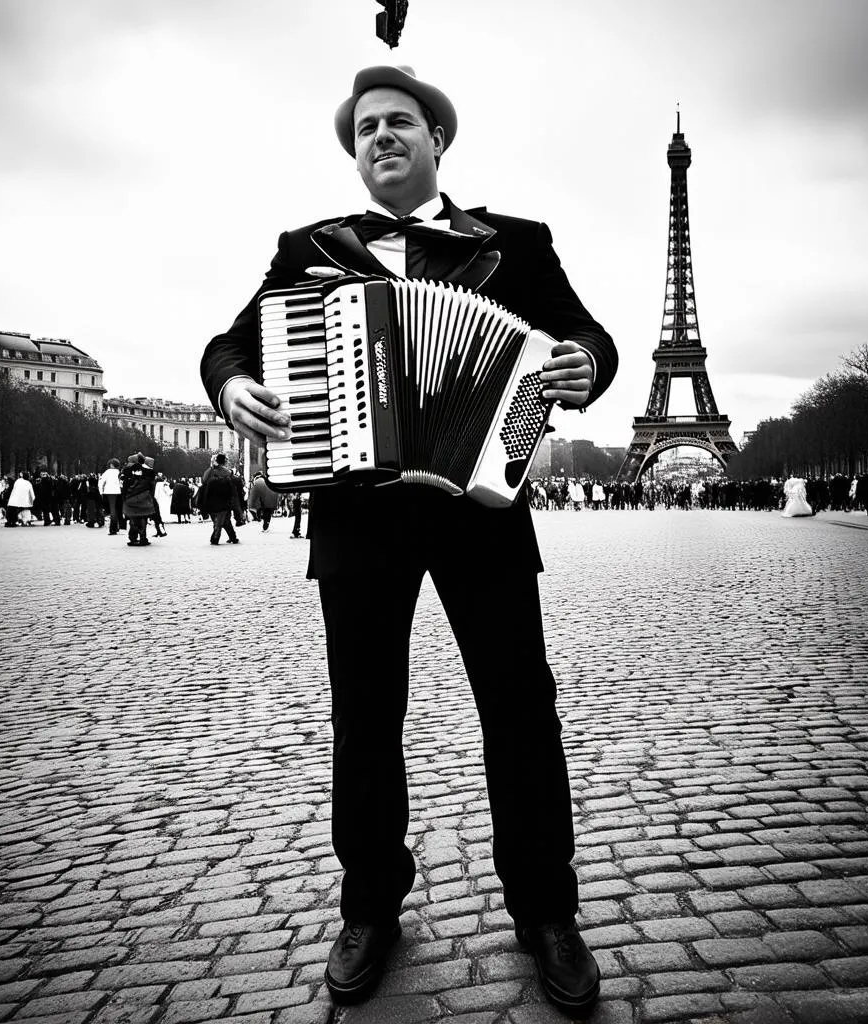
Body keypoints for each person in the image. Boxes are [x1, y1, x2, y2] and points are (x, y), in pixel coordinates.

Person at [200, 65, 617, 1016]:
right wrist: (233, 387)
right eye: (365, 130)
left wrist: (582, 363)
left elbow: (587, 334)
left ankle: (547, 911)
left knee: (520, 710)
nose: (380, 137)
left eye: (399, 123)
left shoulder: (515, 244)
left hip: (481, 508)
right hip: (357, 512)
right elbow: (229, 345)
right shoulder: (304, 248)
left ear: (437, 139)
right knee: (365, 716)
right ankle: (371, 905)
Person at [200, 453, 240, 545]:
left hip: (210, 500)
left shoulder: (210, 471)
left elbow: (204, 481)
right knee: (222, 521)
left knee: (221, 520)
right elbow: (233, 484)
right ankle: (216, 538)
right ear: (224, 461)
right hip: (224, 500)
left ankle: (232, 537)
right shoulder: (228, 472)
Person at [120, 453, 157, 546]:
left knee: (133, 518)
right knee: (143, 518)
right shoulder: (148, 472)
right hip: (144, 497)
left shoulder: (126, 471)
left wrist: (124, 498)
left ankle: (132, 538)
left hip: (130, 499)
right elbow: (151, 487)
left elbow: (124, 487)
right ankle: (143, 538)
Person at [99, 458, 123, 535]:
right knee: (116, 510)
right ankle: (116, 527)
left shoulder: (107, 472)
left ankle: (112, 529)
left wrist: (101, 492)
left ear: (111, 465)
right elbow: (122, 483)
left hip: (109, 492)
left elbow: (101, 482)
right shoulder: (119, 472)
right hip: (118, 492)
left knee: (112, 511)